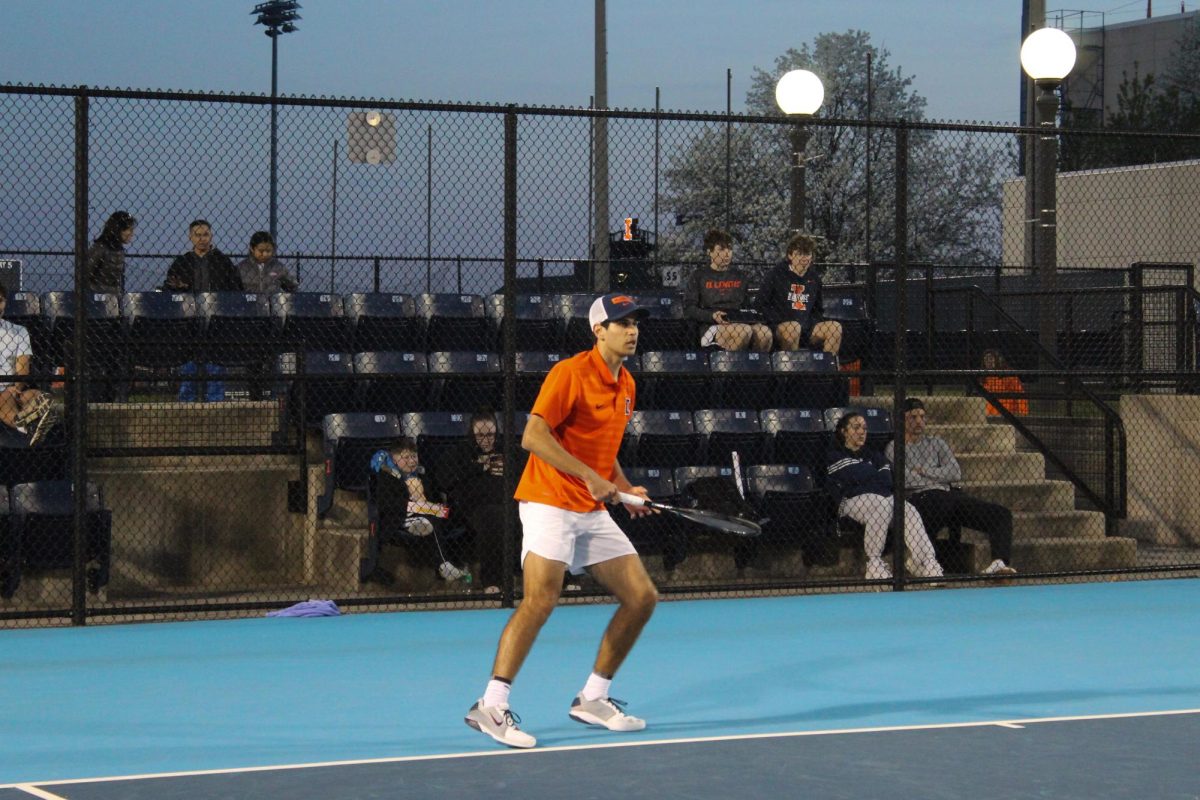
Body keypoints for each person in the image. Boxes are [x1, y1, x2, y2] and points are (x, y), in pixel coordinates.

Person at [464, 292, 657, 749]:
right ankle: (490, 705)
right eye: (622, 323)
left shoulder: (627, 384)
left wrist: (625, 490)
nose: (632, 330)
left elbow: (604, 456)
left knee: (642, 597)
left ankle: (593, 697)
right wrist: (591, 478)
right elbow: (532, 436)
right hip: (548, 500)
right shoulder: (569, 373)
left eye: (635, 323)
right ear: (599, 331)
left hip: (590, 510)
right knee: (540, 600)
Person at [885, 398, 1017, 576]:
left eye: (922, 417)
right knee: (941, 499)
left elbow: (955, 472)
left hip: (950, 496)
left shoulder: (937, 443)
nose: (918, 421)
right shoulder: (894, 447)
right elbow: (906, 479)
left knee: (1001, 514)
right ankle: (919, 559)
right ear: (901, 420)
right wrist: (938, 477)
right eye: (912, 417)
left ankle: (999, 562)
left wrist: (924, 471)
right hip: (922, 498)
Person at [825, 411, 943, 581]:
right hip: (849, 503)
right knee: (882, 503)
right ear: (843, 431)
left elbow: (886, 479)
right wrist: (872, 477)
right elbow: (855, 479)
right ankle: (874, 563)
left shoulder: (873, 455)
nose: (861, 432)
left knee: (907, 509)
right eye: (856, 427)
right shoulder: (835, 455)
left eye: (864, 428)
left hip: (882, 500)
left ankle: (924, 561)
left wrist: (868, 478)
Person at [434, 408, 519, 595]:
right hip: (473, 506)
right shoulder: (460, 453)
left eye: (490, 434)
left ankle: (562, 577)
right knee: (492, 517)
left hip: (508, 502)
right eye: (480, 435)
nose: (486, 439)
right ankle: (492, 580)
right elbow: (443, 479)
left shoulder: (508, 449)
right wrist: (480, 467)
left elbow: (527, 468)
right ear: (472, 435)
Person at [369, 440, 471, 585]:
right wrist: (414, 503)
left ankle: (425, 529)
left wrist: (428, 501)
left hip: (427, 514)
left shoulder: (422, 475)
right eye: (406, 458)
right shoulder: (387, 477)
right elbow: (387, 504)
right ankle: (443, 565)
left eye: (414, 456)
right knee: (429, 518)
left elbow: (434, 499)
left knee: (438, 518)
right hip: (399, 519)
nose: (411, 461)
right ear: (394, 459)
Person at [165, 220, 241, 402]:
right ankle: (186, 407)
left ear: (211, 236)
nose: (202, 239)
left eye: (205, 234)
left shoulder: (223, 261)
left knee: (215, 368)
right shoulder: (181, 262)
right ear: (190, 237)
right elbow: (170, 289)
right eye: (197, 235)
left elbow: (236, 290)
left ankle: (215, 407)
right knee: (189, 368)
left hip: (216, 323)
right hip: (188, 323)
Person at [682, 228, 772, 352]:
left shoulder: (740, 276)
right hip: (711, 325)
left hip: (738, 319)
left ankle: (755, 368)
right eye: (721, 249)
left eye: (729, 249)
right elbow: (689, 308)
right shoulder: (699, 276)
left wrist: (749, 316)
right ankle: (730, 368)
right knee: (742, 331)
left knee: (764, 333)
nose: (727, 254)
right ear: (710, 252)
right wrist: (711, 315)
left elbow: (745, 305)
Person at [755, 233, 842, 358]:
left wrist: (810, 323)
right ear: (790, 255)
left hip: (806, 328)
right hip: (780, 327)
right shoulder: (776, 274)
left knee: (835, 327)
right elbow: (760, 305)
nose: (804, 258)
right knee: (793, 327)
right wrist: (779, 319)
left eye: (807, 254)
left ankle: (827, 371)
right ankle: (791, 373)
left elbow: (818, 310)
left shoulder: (814, 279)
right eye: (799, 254)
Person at [0, 283, 59, 446]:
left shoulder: (19, 331)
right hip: (3, 392)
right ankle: (25, 427)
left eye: (0, 300)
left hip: (13, 387)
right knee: (3, 397)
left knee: (38, 396)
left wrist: (17, 388)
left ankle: (24, 423)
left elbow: (22, 369)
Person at [85, 211, 137, 294]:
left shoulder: (119, 250)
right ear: (118, 230)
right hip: (96, 297)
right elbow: (84, 274)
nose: (132, 234)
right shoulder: (100, 248)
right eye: (129, 230)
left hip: (111, 297)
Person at [980, 349, 1028, 417]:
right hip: (990, 414)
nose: (988, 361)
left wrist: (1023, 411)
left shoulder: (1007, 374)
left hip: (1008, 412)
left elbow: (1019, 392)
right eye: (986, 359)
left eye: (991, 358)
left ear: (997, 360)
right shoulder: (984, 378)